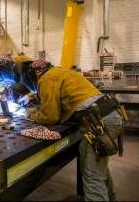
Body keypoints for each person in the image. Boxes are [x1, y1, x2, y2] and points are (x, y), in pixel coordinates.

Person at [24, 59, 124, 201]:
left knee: (92, 176)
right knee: (98, 167)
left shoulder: (46, 78)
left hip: (97, 121)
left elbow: (50, 116)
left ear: (34, 74)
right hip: (110, 113)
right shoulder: (62, 71)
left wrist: (33, 114)